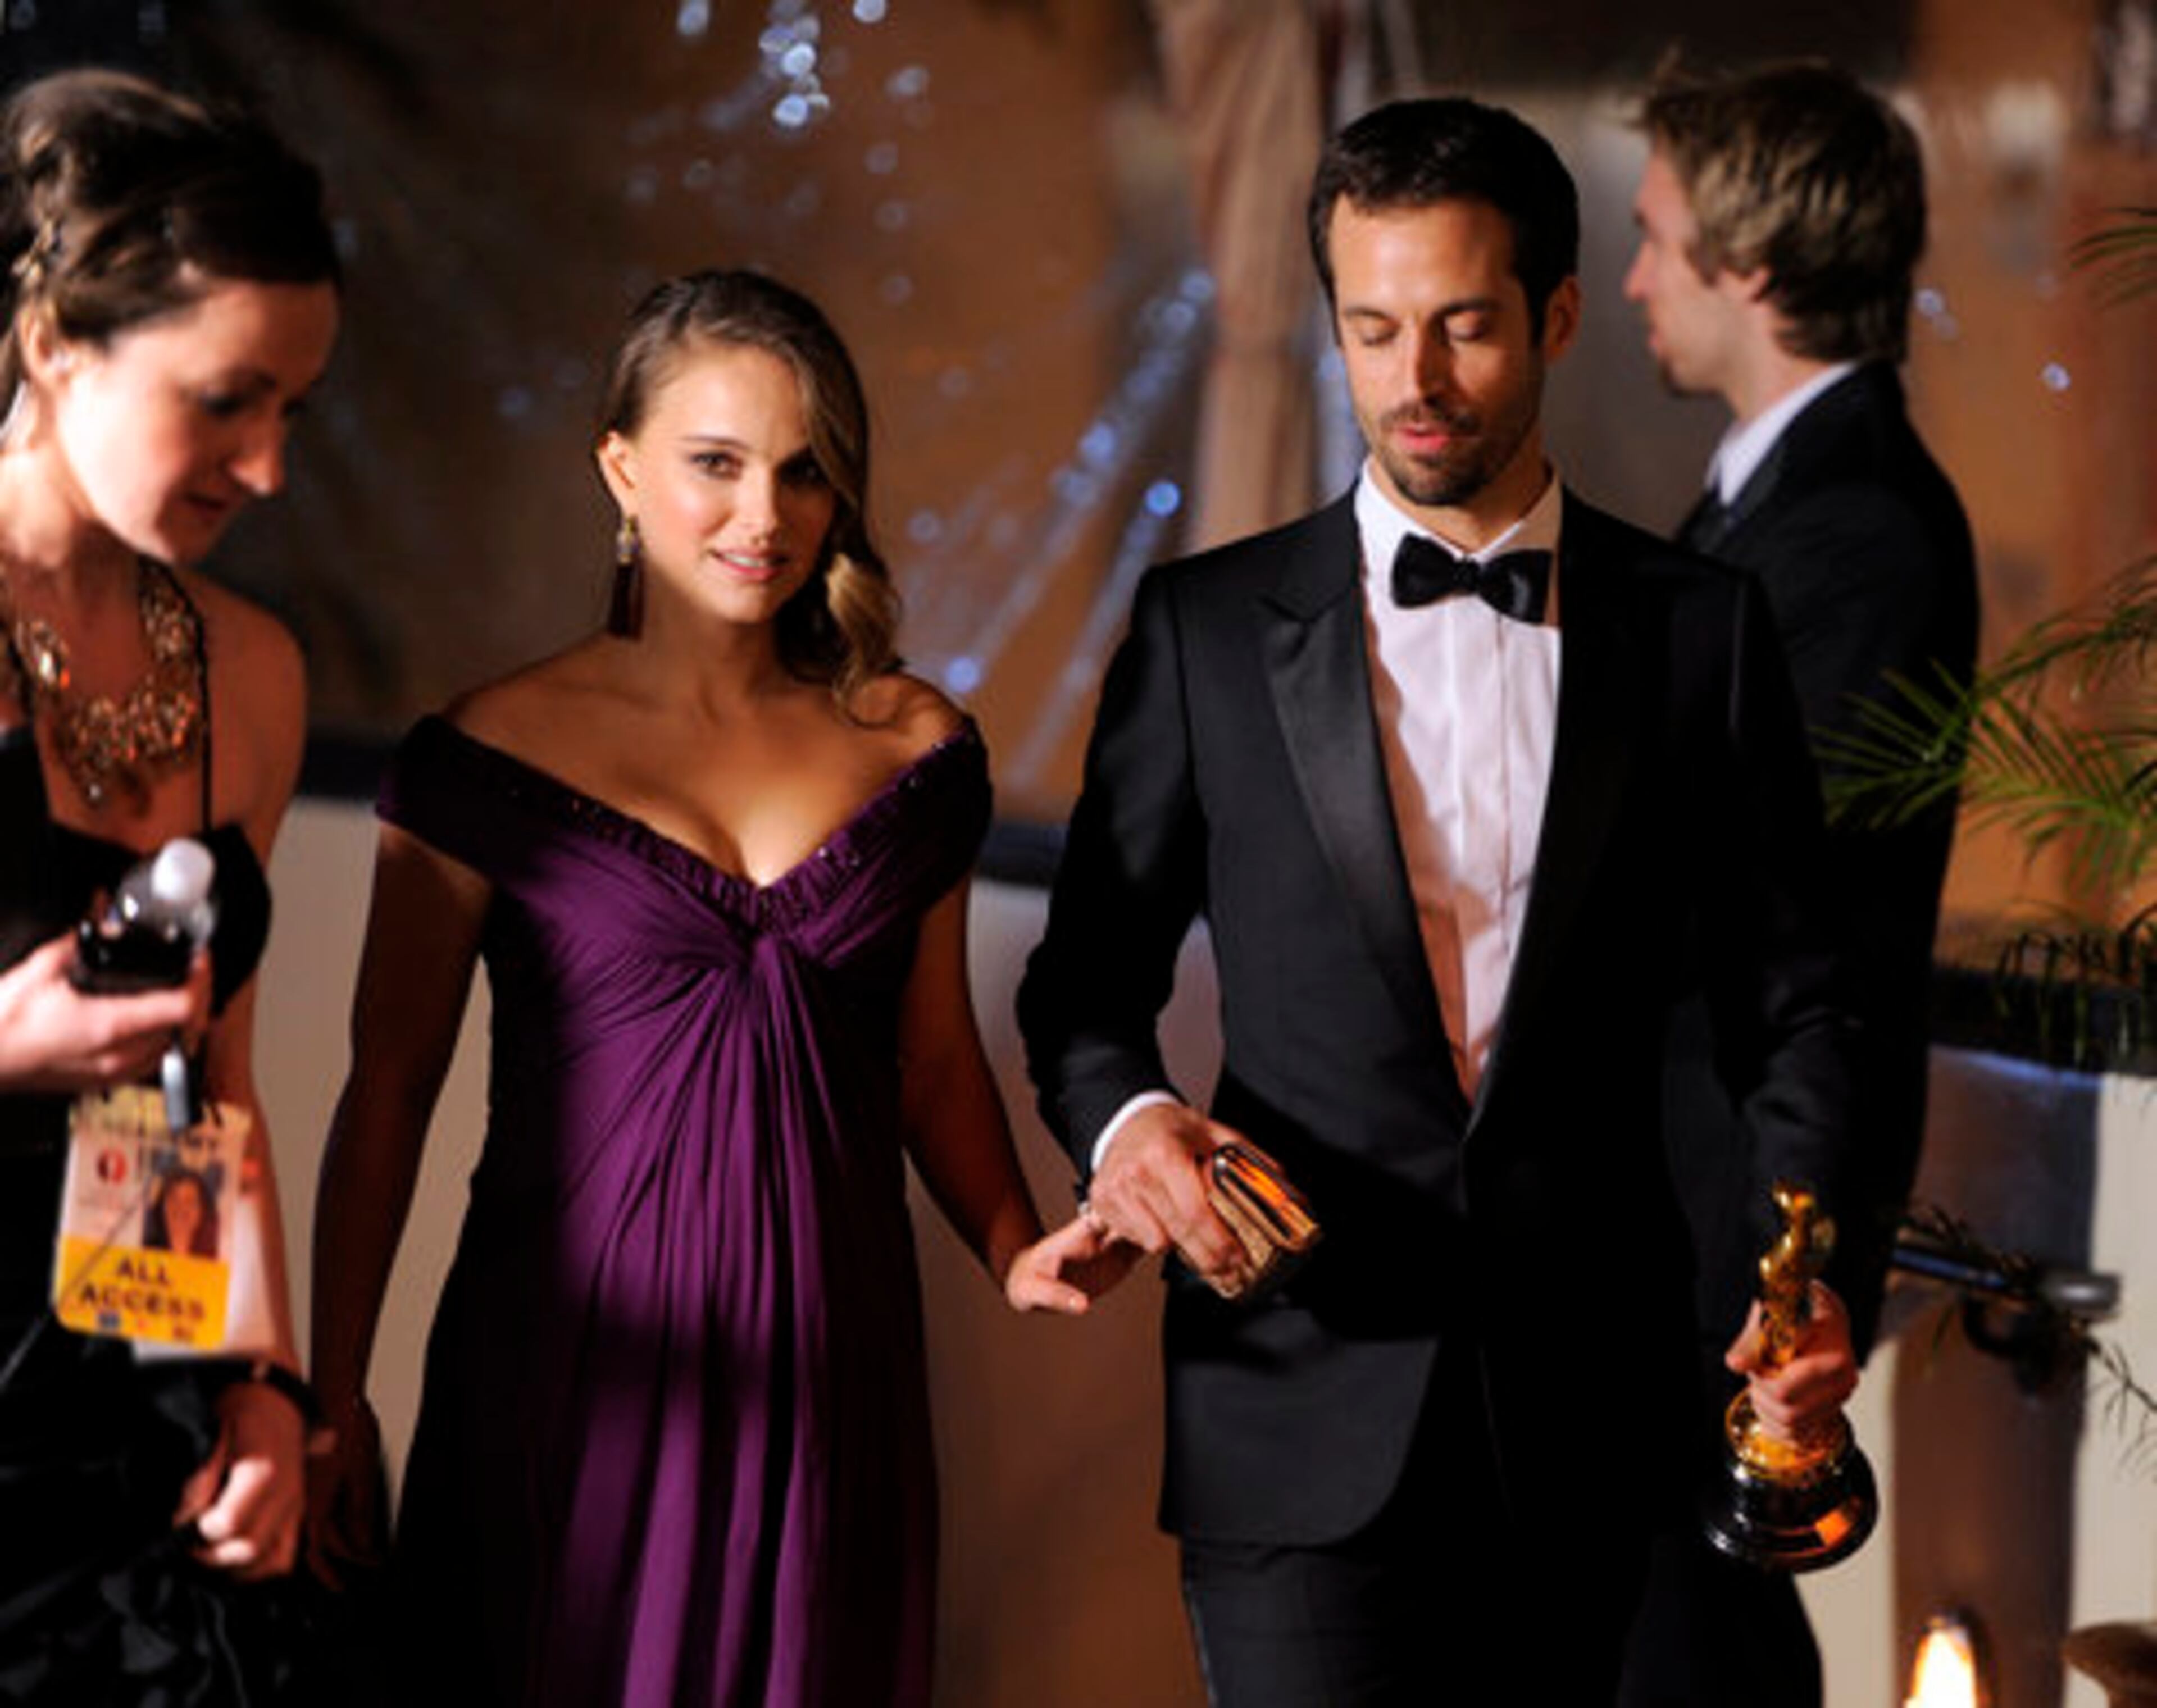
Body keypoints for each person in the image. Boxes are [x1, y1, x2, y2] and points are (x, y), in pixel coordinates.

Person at [1018, 96, 1865, 1705]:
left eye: (1465, 327)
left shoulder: (1704, 632)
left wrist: (1801, 1263)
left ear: (1554, 314)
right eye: (1374, 328)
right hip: (1295, 1409)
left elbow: (1800, 1000)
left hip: (1614, 1409)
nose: (1414, 382)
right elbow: (1084, 983)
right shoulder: (1203, 633)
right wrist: (1130, 1129)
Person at [307, 268, 1113, 1707]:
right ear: (618, 467)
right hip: (570, 1381)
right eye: (717, 464)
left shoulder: (910, 747)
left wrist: (1011, 1244)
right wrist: (330, 1395)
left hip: (827, 1387)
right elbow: (389, 1092)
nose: (766, 517)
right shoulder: (484, 752)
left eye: (806, 473)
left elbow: (930, 1061)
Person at [1617, 62, 1979, 1707]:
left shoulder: (1858, 530)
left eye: (1653, 239)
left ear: (1748, 268)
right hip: (1699, 1170)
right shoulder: (1782, 490)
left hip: (1740, 1200)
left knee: (1695, 1647)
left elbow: (1783, 913)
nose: (1629, 280)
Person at [0, 66, 339, 1704]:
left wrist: (265, 1378)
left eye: (295, 409)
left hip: (137, 1418)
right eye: (227, 398)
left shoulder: (249, 670)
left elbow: (218, 1087)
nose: (268, 467)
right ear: (59, 339)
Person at [144, 1165, 222, 1258]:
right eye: (173, 1199)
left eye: (189, 1201)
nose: (180, 1207)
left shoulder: (216, 1258)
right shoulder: (144, 1251)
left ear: (202, 1211)